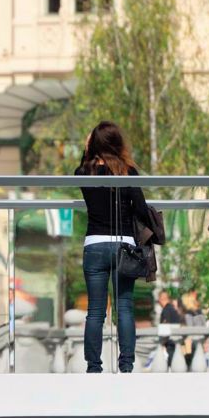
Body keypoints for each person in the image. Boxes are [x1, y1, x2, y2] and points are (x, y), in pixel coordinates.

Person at [74, 121, 146, 373]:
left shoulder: (84, 172)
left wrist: (86, 151)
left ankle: (94, 368)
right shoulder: (128, 171)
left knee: (95, 311)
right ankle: (126, 366)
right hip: (123, 245)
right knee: (124, 307)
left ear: (93, 144)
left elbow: (80, 168)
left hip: (94, 244)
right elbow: (140, 206)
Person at [156, 289, 183, 369]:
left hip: (169, 343)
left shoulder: (166, 310)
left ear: (161, 299)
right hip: (175, 341)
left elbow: (165, 326)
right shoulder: (173, 309)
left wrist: (162, 342)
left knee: (169, 366)